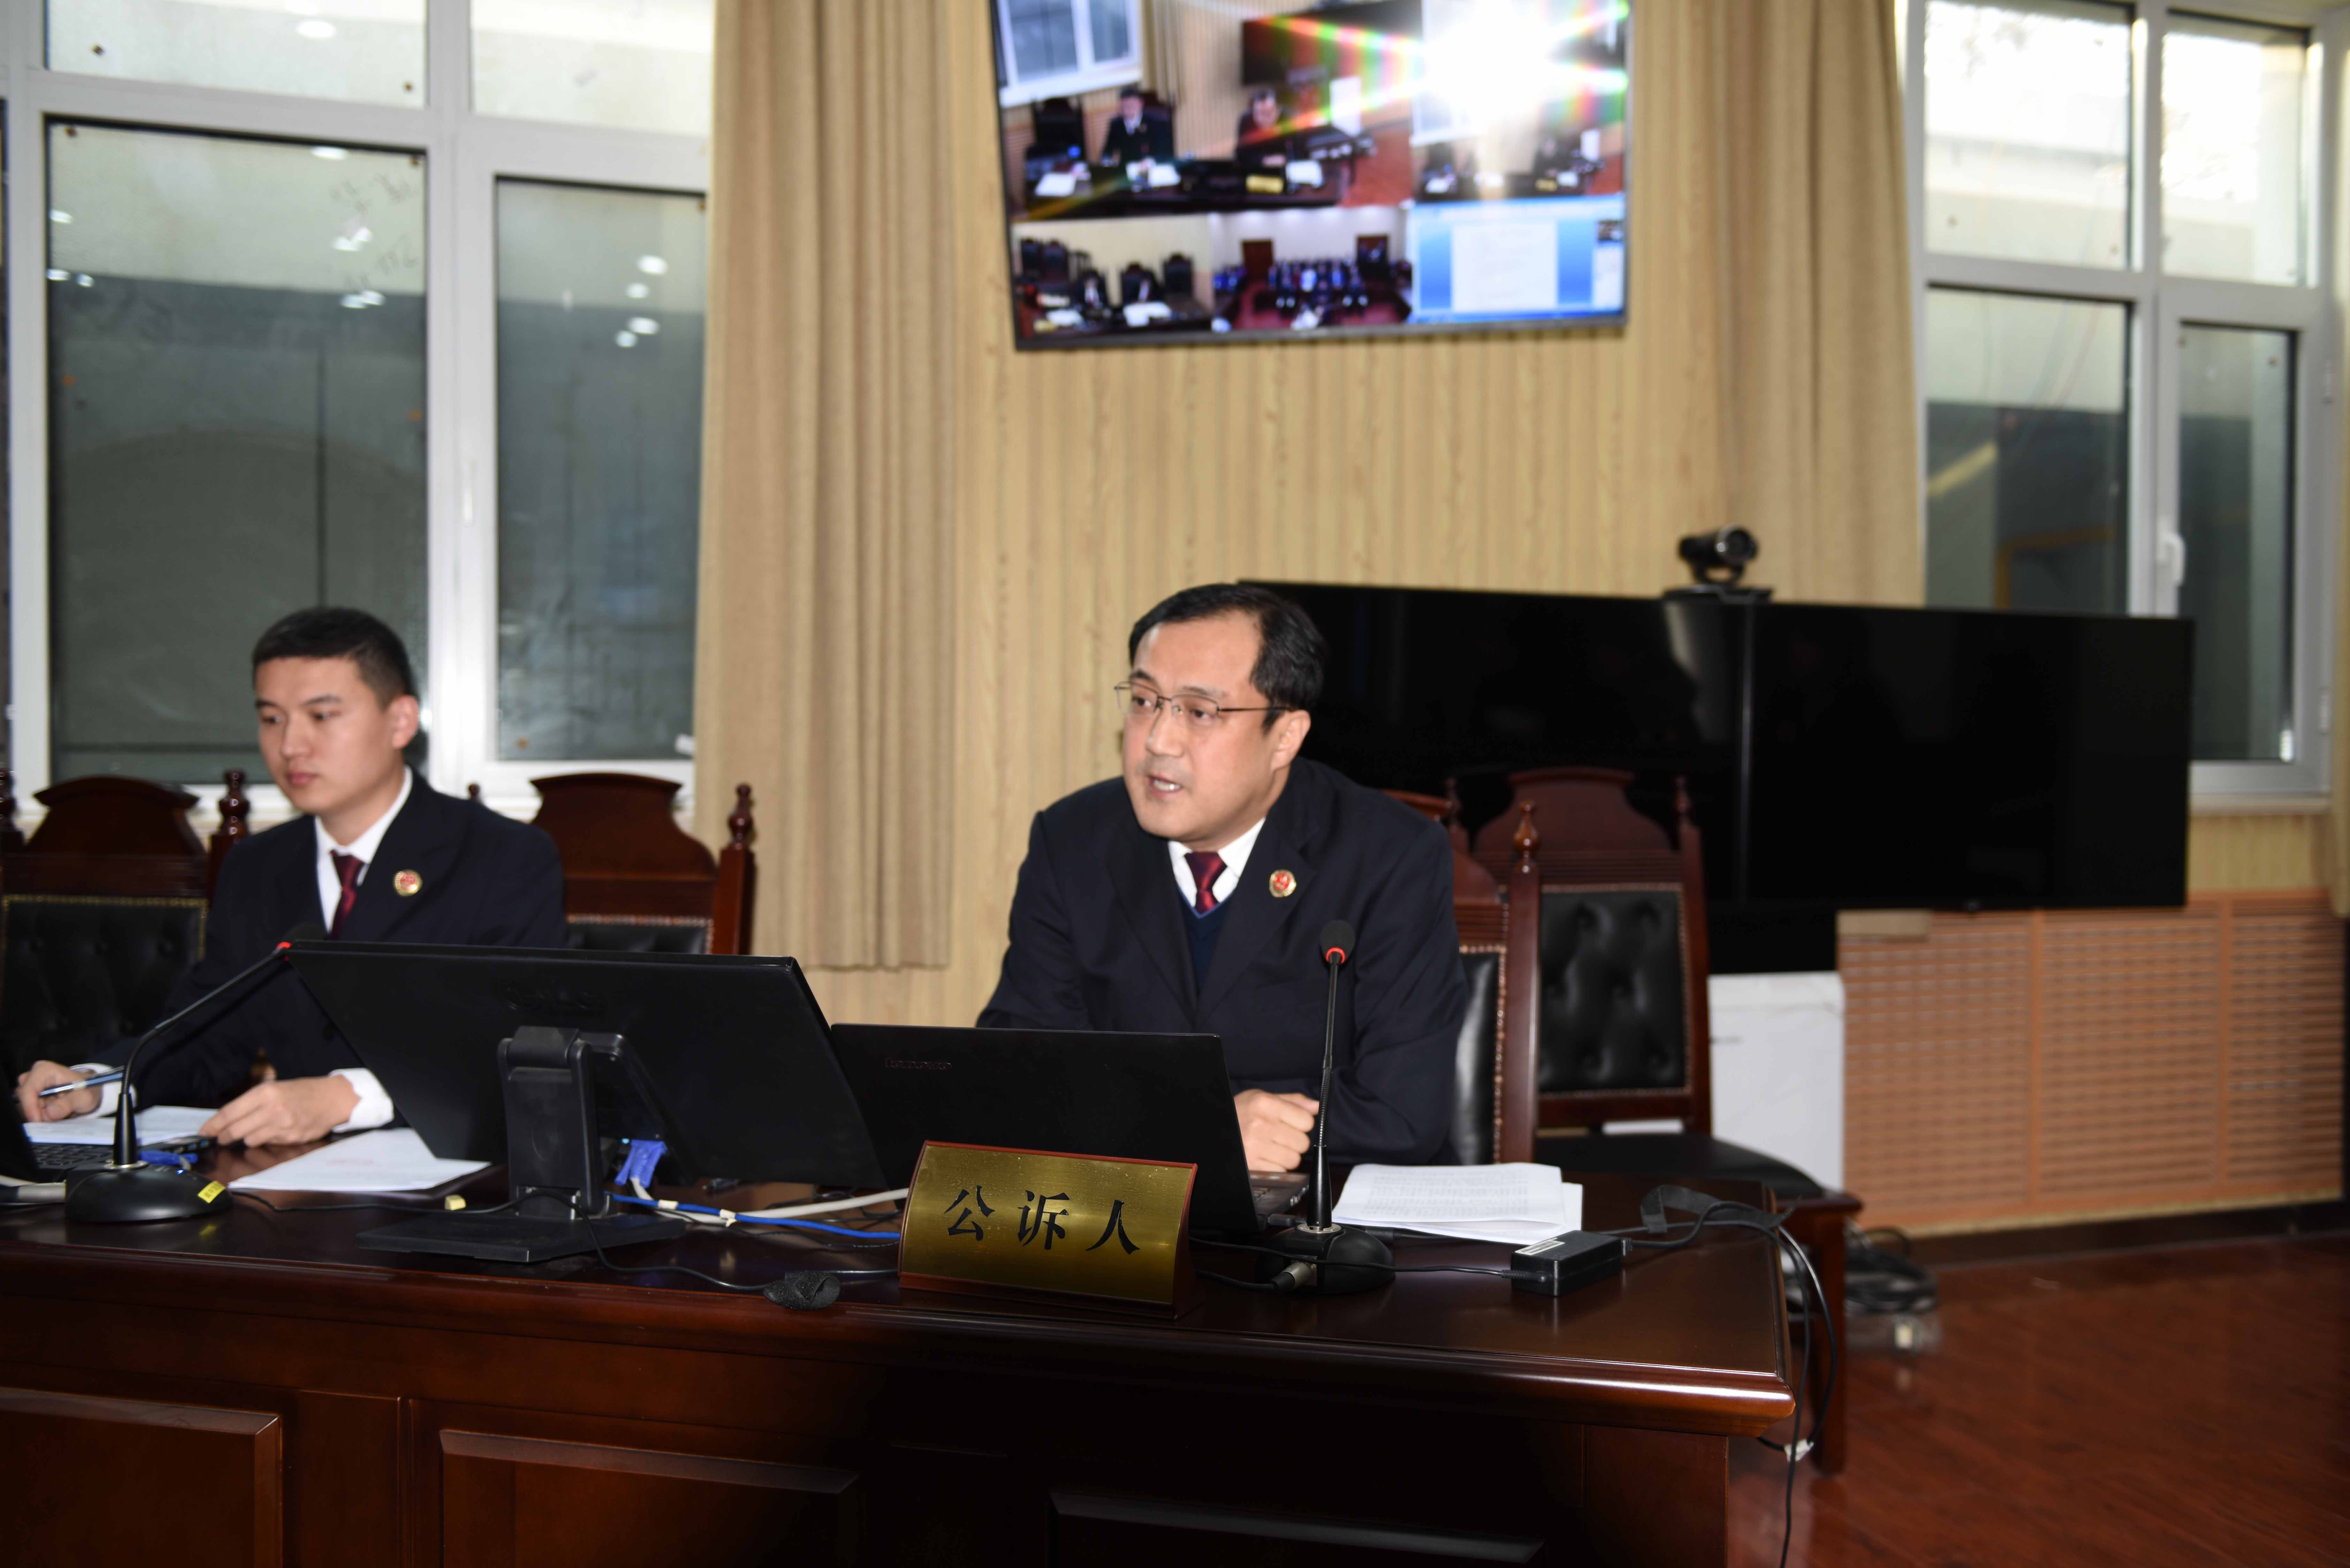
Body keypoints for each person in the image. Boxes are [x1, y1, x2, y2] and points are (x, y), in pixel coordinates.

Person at [13, 607, 565, 1145]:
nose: (290, 746)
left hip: (454, 1175)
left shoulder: (502, 857)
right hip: (293, 1180)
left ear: (400, 721)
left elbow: (521, 1046)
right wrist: (99, 1085)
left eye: (321, 716)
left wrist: (349, 1098)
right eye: (272, 718)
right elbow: (207, 1034)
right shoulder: (258, 866)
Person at [979, 584, 1466, 1173]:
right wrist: (1200, 1128)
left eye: (1200, 712)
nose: (1157, 740)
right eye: (1144, 701)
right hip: (1133, 1202)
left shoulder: (1390, 854)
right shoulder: (1073, 841)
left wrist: (1141, 1118)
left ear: (1285, 737)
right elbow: (1020, 1072)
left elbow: (1403, 1113)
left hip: (1329, 1207)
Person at [1098, 86, 1171, 168]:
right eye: (1124, 107)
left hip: (1151, 167)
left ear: (1141, 104)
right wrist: (1106, 161)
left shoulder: (1156, 122)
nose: (1127, 110)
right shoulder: (1116, 125)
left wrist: (1150, 162)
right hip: (1126, 168)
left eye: (1131, 106)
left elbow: (1165, 152)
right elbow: (1107, 151)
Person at [1235, 88, 1292, 171]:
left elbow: (1296, 151)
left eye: (1268, 113)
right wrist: (1265, 161)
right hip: (1254, 172)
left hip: (1281, 171)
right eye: (1259, 113)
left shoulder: (1286, 120)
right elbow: (1240, 158)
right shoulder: (1246, 121)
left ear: (1278, 111)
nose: (1263, 119)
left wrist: (1286, 159)